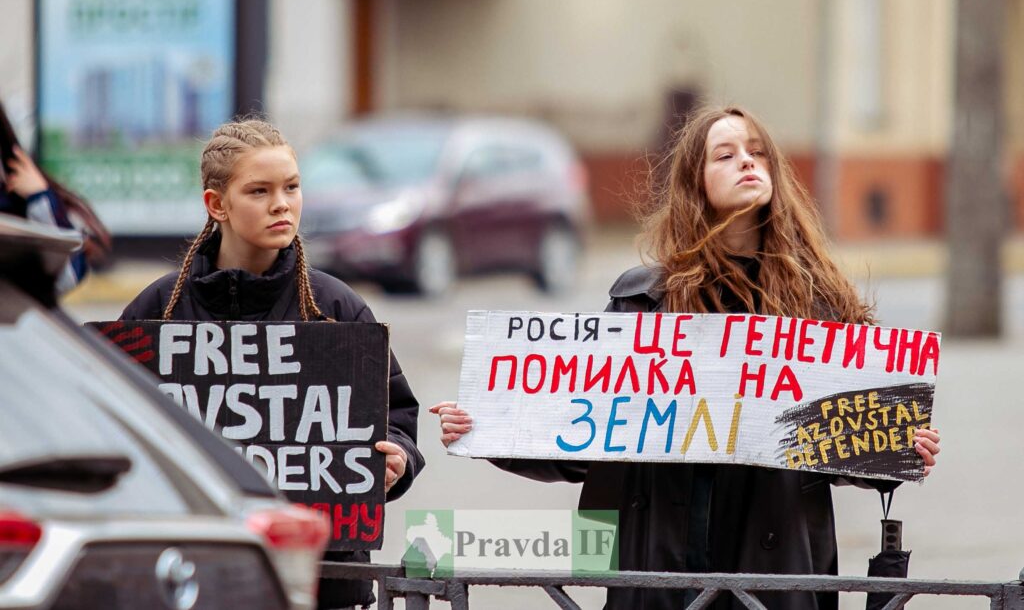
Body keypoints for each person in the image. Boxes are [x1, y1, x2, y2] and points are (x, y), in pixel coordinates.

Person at [430, 105, 941, 610]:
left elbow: (852, 443)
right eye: (726, 155)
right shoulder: (642, 303)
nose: (747, 162)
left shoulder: (819, 306)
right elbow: (587, 433)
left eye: (757, 152)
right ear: (695, 184)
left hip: (775, 573)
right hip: (659, 569)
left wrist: (901, 443)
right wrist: (490, 427)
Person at [120, 118, 424, 610]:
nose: (282, 204)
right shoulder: (157, 311)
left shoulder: (336, 309)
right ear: (217, 204)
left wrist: (398, 461)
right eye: (259, 191)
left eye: (292, 187)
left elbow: (398, 421)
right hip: (190, 577)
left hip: (323, 582)